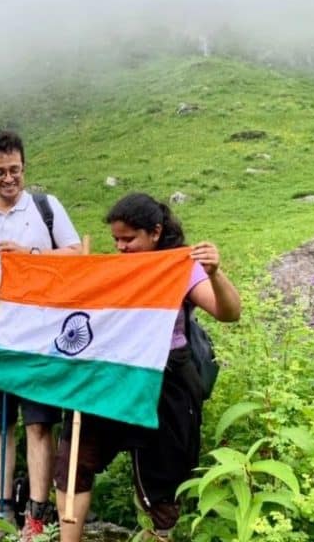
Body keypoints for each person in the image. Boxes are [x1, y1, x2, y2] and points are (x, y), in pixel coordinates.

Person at [54, 192, 241, 542]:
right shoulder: (113, 269)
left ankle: (159, 535)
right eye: (116, 240)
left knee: (162, 477)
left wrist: (215, 273)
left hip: (164, 380)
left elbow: (228, 312)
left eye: (129, 239)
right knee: (74, 458)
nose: (121, 247)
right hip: (110, 374)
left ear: (155, 233)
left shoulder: (180, 268)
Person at [0, 130, 82, 541]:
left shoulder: (47, 209)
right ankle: (1, 511)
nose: (9, 178)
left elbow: (75, 255)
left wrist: (31, 258)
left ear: (24, 167)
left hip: (43, 331)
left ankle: (37, 513)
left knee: (38, 425)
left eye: (15, 170)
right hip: (0, 330)